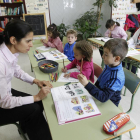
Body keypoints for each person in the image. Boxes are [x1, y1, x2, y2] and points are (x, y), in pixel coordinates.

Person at [0, 19, 52, 140]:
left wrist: (36, 81)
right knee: (34, 108)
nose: (31, 45)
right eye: (28, 41)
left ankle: (26, 128)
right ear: (13, 40)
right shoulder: (1, 63)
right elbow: (5, 102)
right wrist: (36, 97)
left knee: (38, 103)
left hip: (4, 93)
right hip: (2, 102)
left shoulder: (9, 51)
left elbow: (17, 70)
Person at [78, 38, 128, 107]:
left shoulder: (116, 77)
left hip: (110, 104)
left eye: (106, 54)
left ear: (117, 59)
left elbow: (104, 98)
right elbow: (99, 83)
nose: (102, 56)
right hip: (100, 96)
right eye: (103, 53)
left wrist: (87, 84)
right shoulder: (109, 65)